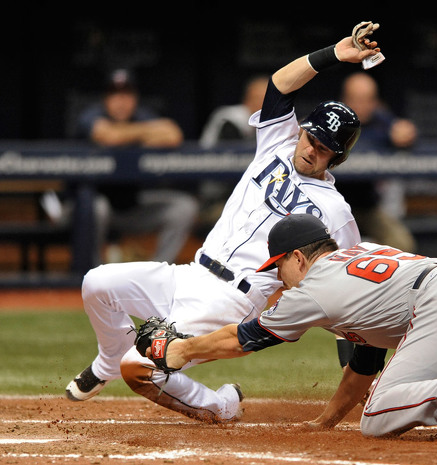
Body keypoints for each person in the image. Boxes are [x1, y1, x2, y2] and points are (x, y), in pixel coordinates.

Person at [64, 24, 383, 423]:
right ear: (301, 130)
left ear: (336, 158)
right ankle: (109, 358)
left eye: (325, 149)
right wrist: (334, 54)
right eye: (311, 138)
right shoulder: (278, 144)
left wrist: (350, 364)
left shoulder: (335, 211)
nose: (312, 150)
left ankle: (219, 405)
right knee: (97, 283)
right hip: (191, 273)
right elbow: (280, 86)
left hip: (232, 298)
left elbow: (343, 288)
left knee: (140, 367)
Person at [142, 213, 437, 438]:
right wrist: (327, 421)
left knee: (376, 419)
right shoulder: (364, 252)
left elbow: (241, 339)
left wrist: (177, 350)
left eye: (279, 265)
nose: (279, 277)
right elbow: (366, 360)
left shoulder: (310, 290)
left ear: (299, 258)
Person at [70, 68, 199, 264]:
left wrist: (126, 134)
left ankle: (157, 273)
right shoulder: (91, 115)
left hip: (131, 206)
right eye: (114, 94)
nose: (121, 101)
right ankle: (94, 272)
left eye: (127, 94)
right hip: (83, 207)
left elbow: (173, 134)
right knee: (98, 208)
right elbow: (109, 136)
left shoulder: (141, 115)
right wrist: (144, 135)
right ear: (105, 98)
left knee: (184, 207)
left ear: (135, 97)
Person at [337, 71, 417, 253]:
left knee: (402, 243)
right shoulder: (332, 118)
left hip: (367, 208)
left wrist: (406, 133)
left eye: (368, 99)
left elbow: (404, 131)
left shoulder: (381, 120)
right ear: (344, 99)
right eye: (356, 99)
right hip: (333, 207)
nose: (362, 105)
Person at [197, 75, 270, 226]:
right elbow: (235, 159)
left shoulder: (274, 122)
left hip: (248, 193)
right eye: (258, 98)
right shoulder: (230, 118)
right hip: (217, 194)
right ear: (246, 99)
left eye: (268, 98)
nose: (263, 103)